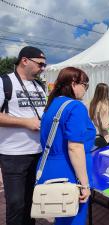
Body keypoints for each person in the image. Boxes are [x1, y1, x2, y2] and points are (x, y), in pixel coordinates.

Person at [39, 67, 96, 225]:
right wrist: (84, 185)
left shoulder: (52, 105)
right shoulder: (75, 106)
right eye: (85, 84)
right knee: (73, 219)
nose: (85, 89)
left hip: (52, 167)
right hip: (71, 170)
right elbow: (75, 147)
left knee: (62, 218)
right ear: (73, 83)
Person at [0, 46, 46, 225]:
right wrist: (25, 122)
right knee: (16, 204)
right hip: (13, 155)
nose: (43, 68)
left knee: (32, 201)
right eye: (40, 64)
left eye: (44, 65)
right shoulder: (4, 82)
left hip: (38, 152)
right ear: (25, 60)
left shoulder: (39, 86)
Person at [89, 83, 109, 148]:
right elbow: (104, 127)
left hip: (94, 135)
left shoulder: (93, 103)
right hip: (103, 137)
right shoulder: (103, 106)